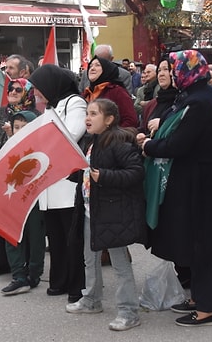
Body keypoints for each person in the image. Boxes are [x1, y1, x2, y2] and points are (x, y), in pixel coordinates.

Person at [140, 50, 212, 326]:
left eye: (174, 68)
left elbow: (180, 144)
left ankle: (208, 308)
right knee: (193, 240)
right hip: (195, 179)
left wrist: (149, 146)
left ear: (187, 71)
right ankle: (198, 297)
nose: (171, 73)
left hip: (200, 183)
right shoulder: (195, 96)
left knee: (199, 243)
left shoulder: (199, 102)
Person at [66, 98, 146, 332]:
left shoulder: (119, 142)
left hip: (113, 213)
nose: (87, 118)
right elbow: (86, 171)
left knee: (120, 263)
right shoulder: (92, 141)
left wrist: (106, 176)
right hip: (92, 210)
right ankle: (91, 300)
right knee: (89, 258)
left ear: (109, 119)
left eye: (93, 114)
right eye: (87, 113)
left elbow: (136, 172)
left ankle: (129, 312)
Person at [29, 64, 86, 302]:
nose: (35, 93)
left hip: (66, 181)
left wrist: (42, 143)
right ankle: (59, 280)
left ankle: (76, 285)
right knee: (55, 237)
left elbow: (71, 134)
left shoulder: (75, 103)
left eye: (38, 88)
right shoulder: (50, 108)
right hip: (49, 182)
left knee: (71, 237)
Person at [0, 78, 38, 276]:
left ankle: (24, 262)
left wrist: (13, 133)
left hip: (18, 173)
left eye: (18, 89)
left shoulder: (32, 115)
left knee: (18, 219)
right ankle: (1, 260)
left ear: (27, 93)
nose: (12, 92)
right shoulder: (0, 112)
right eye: (10, 89)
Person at [0, 110, 47, 295]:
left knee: (35, 235)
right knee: (11, 234)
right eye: (15, 127)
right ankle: (18, 275)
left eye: (23, 127)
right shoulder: (8, 146)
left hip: (33, 198)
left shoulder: (40, 148)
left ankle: (34, 273)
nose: (18, 131)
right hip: (12, 197)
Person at [83, 56, 138, 128]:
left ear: (106, 70)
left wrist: (112, 136)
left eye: (97, 65)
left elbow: (131, 120)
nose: (92, 68)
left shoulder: (117, 91)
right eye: (90, 66)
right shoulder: (87, 93)